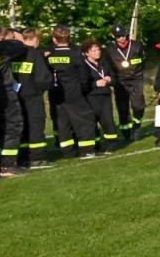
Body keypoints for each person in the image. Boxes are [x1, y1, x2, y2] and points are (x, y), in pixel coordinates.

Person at [0, 24, 27, 176]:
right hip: (5, 90)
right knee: (13, 125)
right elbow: (22, 47)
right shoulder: (3, 48)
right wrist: (18, 37)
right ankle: (7, 164)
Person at [14, 28, 53, 170]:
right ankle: (37, 158)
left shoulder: (14, 54)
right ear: (36, 39)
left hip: (16, 97)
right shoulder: (35, 54)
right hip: (33, 96)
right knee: (35, 127)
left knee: (21, 128)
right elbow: (43, 78)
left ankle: (22, 158)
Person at [43, 25, 84, 158]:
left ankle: (67, 151)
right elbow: (83, 74)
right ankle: (85, 148)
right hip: (74, 91)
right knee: (80, 120)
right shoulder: (76, 52)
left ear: (54, 39)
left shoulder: (47, 53)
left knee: (61, 122)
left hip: (56, 92)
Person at [77, 40, 120, 154]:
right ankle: (96, 144)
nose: (98, 52)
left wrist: (110, 79)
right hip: (91, 96)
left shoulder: (104, 63)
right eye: (94, 50)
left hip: (105, 96)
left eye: (98, 49)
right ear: (87, 53)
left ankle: (111, 143)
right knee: (92, 121)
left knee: (107, 120)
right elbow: (82, 83)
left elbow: (114, 78)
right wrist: (95, 84)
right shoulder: (83, 65)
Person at [108, 25, 147, 142]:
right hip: (120, 82)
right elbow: (109, 67)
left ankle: (136, 125)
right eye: (118, 37)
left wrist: (138, 72)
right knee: (123, 108)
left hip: (136, 79)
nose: (122, 38)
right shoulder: (110, 50)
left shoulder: (136, 45)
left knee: (138, 105)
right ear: (113, 37)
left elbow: (144, 59)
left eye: (123, 35)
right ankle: (126, 131)